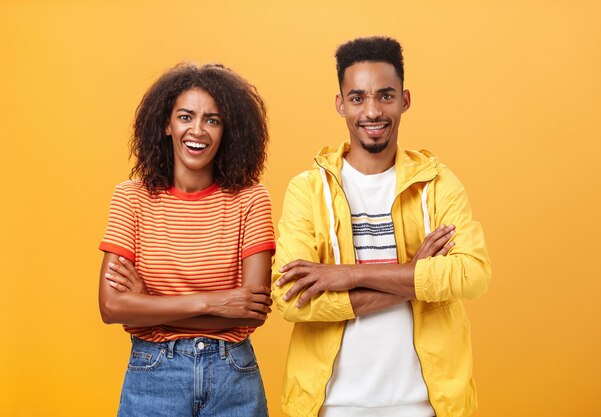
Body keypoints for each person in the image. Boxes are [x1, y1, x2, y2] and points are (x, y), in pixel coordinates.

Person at [272, 37, 492, 417]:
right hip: (332, 405)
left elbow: (472, 275)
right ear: (340, 104)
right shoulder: (307, 190)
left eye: (385, 96)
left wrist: (346, 275)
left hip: (425, 404)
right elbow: (292, 299)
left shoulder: (438, 183)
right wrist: (413, 276)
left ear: (404, 100)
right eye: (357, 98)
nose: (372, 111)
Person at [98, 63, 275, 417]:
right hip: (153, 375)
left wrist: (148, 305)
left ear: (228, 130)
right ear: (167, 124)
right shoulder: (131, 198)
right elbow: (111, 307)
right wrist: (214, 302)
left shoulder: (251, 199)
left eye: (213, 119)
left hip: (233, 377)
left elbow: (251, 311)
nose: (198, 130)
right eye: (185, 116)